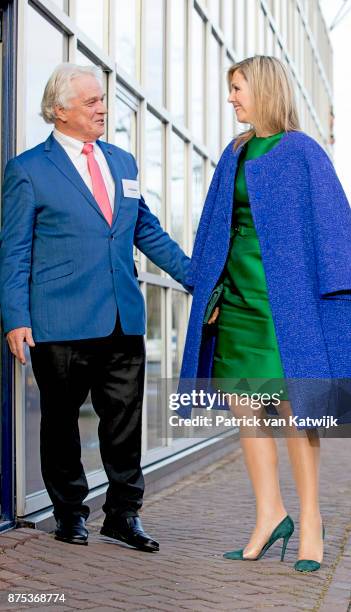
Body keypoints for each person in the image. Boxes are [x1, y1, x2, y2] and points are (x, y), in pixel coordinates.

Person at [180, 56, 351, 572]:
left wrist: (339, 288)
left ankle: (310, 521)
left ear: (262, 89)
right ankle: (269, 515)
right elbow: (214, 226)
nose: (232, 98)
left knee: (294, 414)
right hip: (237, 301)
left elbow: (334, 226)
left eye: (237, 89)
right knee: (246, 410)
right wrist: (204, 281)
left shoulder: (304, 152)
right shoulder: (233, 153)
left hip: (288, 305)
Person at [0, 63, 192, 550]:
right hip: (58, 320)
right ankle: (69, 513)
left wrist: (195, 276)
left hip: (122, 317)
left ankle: (123, 514)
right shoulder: (28, 169)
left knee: (124, 422)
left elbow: (145, 229)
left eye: (102, 99)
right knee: (61, 422)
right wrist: (16, 317)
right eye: (91, 102)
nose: (102, 107)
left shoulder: (122, 161)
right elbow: (14, 249)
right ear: (60, 111)